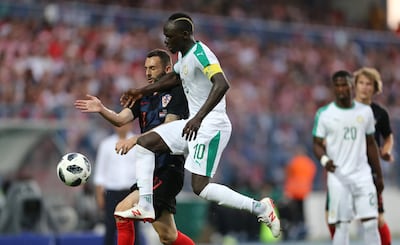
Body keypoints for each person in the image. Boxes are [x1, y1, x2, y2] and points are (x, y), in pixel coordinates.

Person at [117, 12, 281, 238]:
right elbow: (173, 79)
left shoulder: (202, 54)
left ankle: (261, 208)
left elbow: (222, 84)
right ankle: (146, 204)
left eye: (169, 37)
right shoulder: (183, 58)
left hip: (211, 125)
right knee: (144, 143)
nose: (166, 42)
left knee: (200, 187)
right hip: (193, 123)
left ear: (185, 35)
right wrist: (140, 90)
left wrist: (199, 117)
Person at [75, 49, 194, 245]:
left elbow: (169, 127)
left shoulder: (177, 92)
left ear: (167, 68)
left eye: (153, 68)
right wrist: (101, 109)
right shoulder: (143, 97)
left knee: (122, 211)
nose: (148, 72)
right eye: (146, 68)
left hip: (167, 168)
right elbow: (121, 119)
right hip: (149, 172)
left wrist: (136, 139)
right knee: (168, 236)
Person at [324, 67, 394, 245]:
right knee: (334, 219)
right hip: (342, 171)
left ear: (375, 87)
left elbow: (388, 137)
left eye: (368, 84)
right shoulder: (340, 109)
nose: (364, 87)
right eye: (361, 83)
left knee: (376, 219)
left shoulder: (379, 113)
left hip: (367, 172)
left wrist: (385, 151)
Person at [93, 122, 142, 245]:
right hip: (112, 192)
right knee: (110, 227)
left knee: (134, 228)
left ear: (130, 125)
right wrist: (99, 195)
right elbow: (100, 172)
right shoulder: (106, 145)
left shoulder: (138, 143)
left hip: (132, 192)